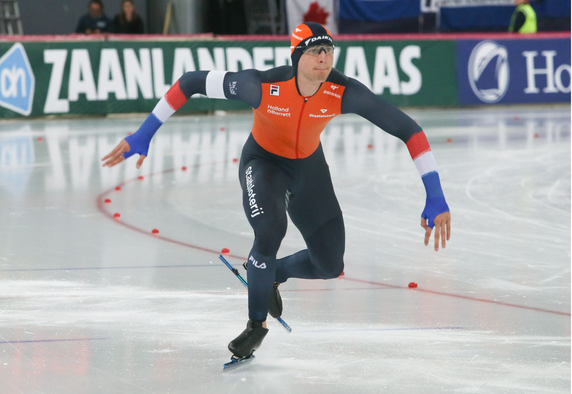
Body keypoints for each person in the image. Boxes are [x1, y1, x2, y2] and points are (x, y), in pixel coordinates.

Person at [101, 22, 451, 359]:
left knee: (329, 265)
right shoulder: (261, 86)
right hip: (264, 165)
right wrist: (144, 133)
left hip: (310, 172)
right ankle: (256, 325)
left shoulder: (343, 90)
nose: (324, 59)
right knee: (270, 229)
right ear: (296, 57)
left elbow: (410, 130)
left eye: (329, 51)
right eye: (315, 52)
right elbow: (191, 82)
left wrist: (435, 194)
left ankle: (273, 274)